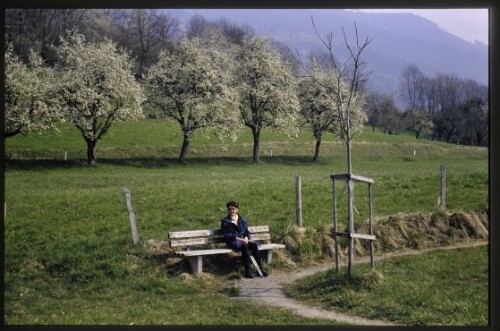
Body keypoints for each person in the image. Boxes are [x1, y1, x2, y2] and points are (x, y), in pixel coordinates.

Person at [220, 201, 268, 278]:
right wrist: (240, 239)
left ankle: (260, 270)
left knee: (254, 246)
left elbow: (246, 232)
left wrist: (246, 237)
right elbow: (226, 235)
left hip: (243, 240)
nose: (231, 211)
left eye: (233, 209)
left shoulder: (242, 220)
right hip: (233, 241)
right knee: (244, 246)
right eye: (229, 209)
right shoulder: (225, 221)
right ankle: (247, 271)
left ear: (237, 209)